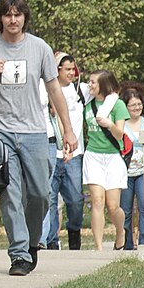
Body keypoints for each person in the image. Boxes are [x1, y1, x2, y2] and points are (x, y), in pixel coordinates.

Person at [0, 0, 76, 276]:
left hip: (34, 131)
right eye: (8, 15)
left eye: (17, 15)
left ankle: (33, 241)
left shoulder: (39, 48)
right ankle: (20, 254)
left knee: (39, 194)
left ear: (25, 18)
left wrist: (68, 129)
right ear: (0, 18)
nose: (13, 20)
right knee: (10, 194)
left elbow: (53, 90)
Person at [82, 70, 128, 250]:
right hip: (93, 155)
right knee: (97, 201)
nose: (89, 85)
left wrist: (109, 124)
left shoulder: (117, 105)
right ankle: (99, 246)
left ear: (104, 84)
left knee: (113, 206)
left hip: (113, 158)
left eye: (93, 82)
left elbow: (119, 134)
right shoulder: (87, 104)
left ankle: (120, 230)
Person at [47, 54, 85, 250]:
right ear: (57, 69)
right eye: (67, 69)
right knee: (51, 200)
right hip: (53, 153)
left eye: (73, 69)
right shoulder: (47, 90)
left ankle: (74, 234)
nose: (71, 73)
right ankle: (52, 241)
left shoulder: (81, 90)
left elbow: (109, 91)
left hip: (75, 156)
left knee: (76, 200)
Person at [119, 87, 144, 250]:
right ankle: (126, 243)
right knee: (125, 210)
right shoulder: (121, 124)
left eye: (139, 104)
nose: (137, 108)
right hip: (125, 172)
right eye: (132, 105)